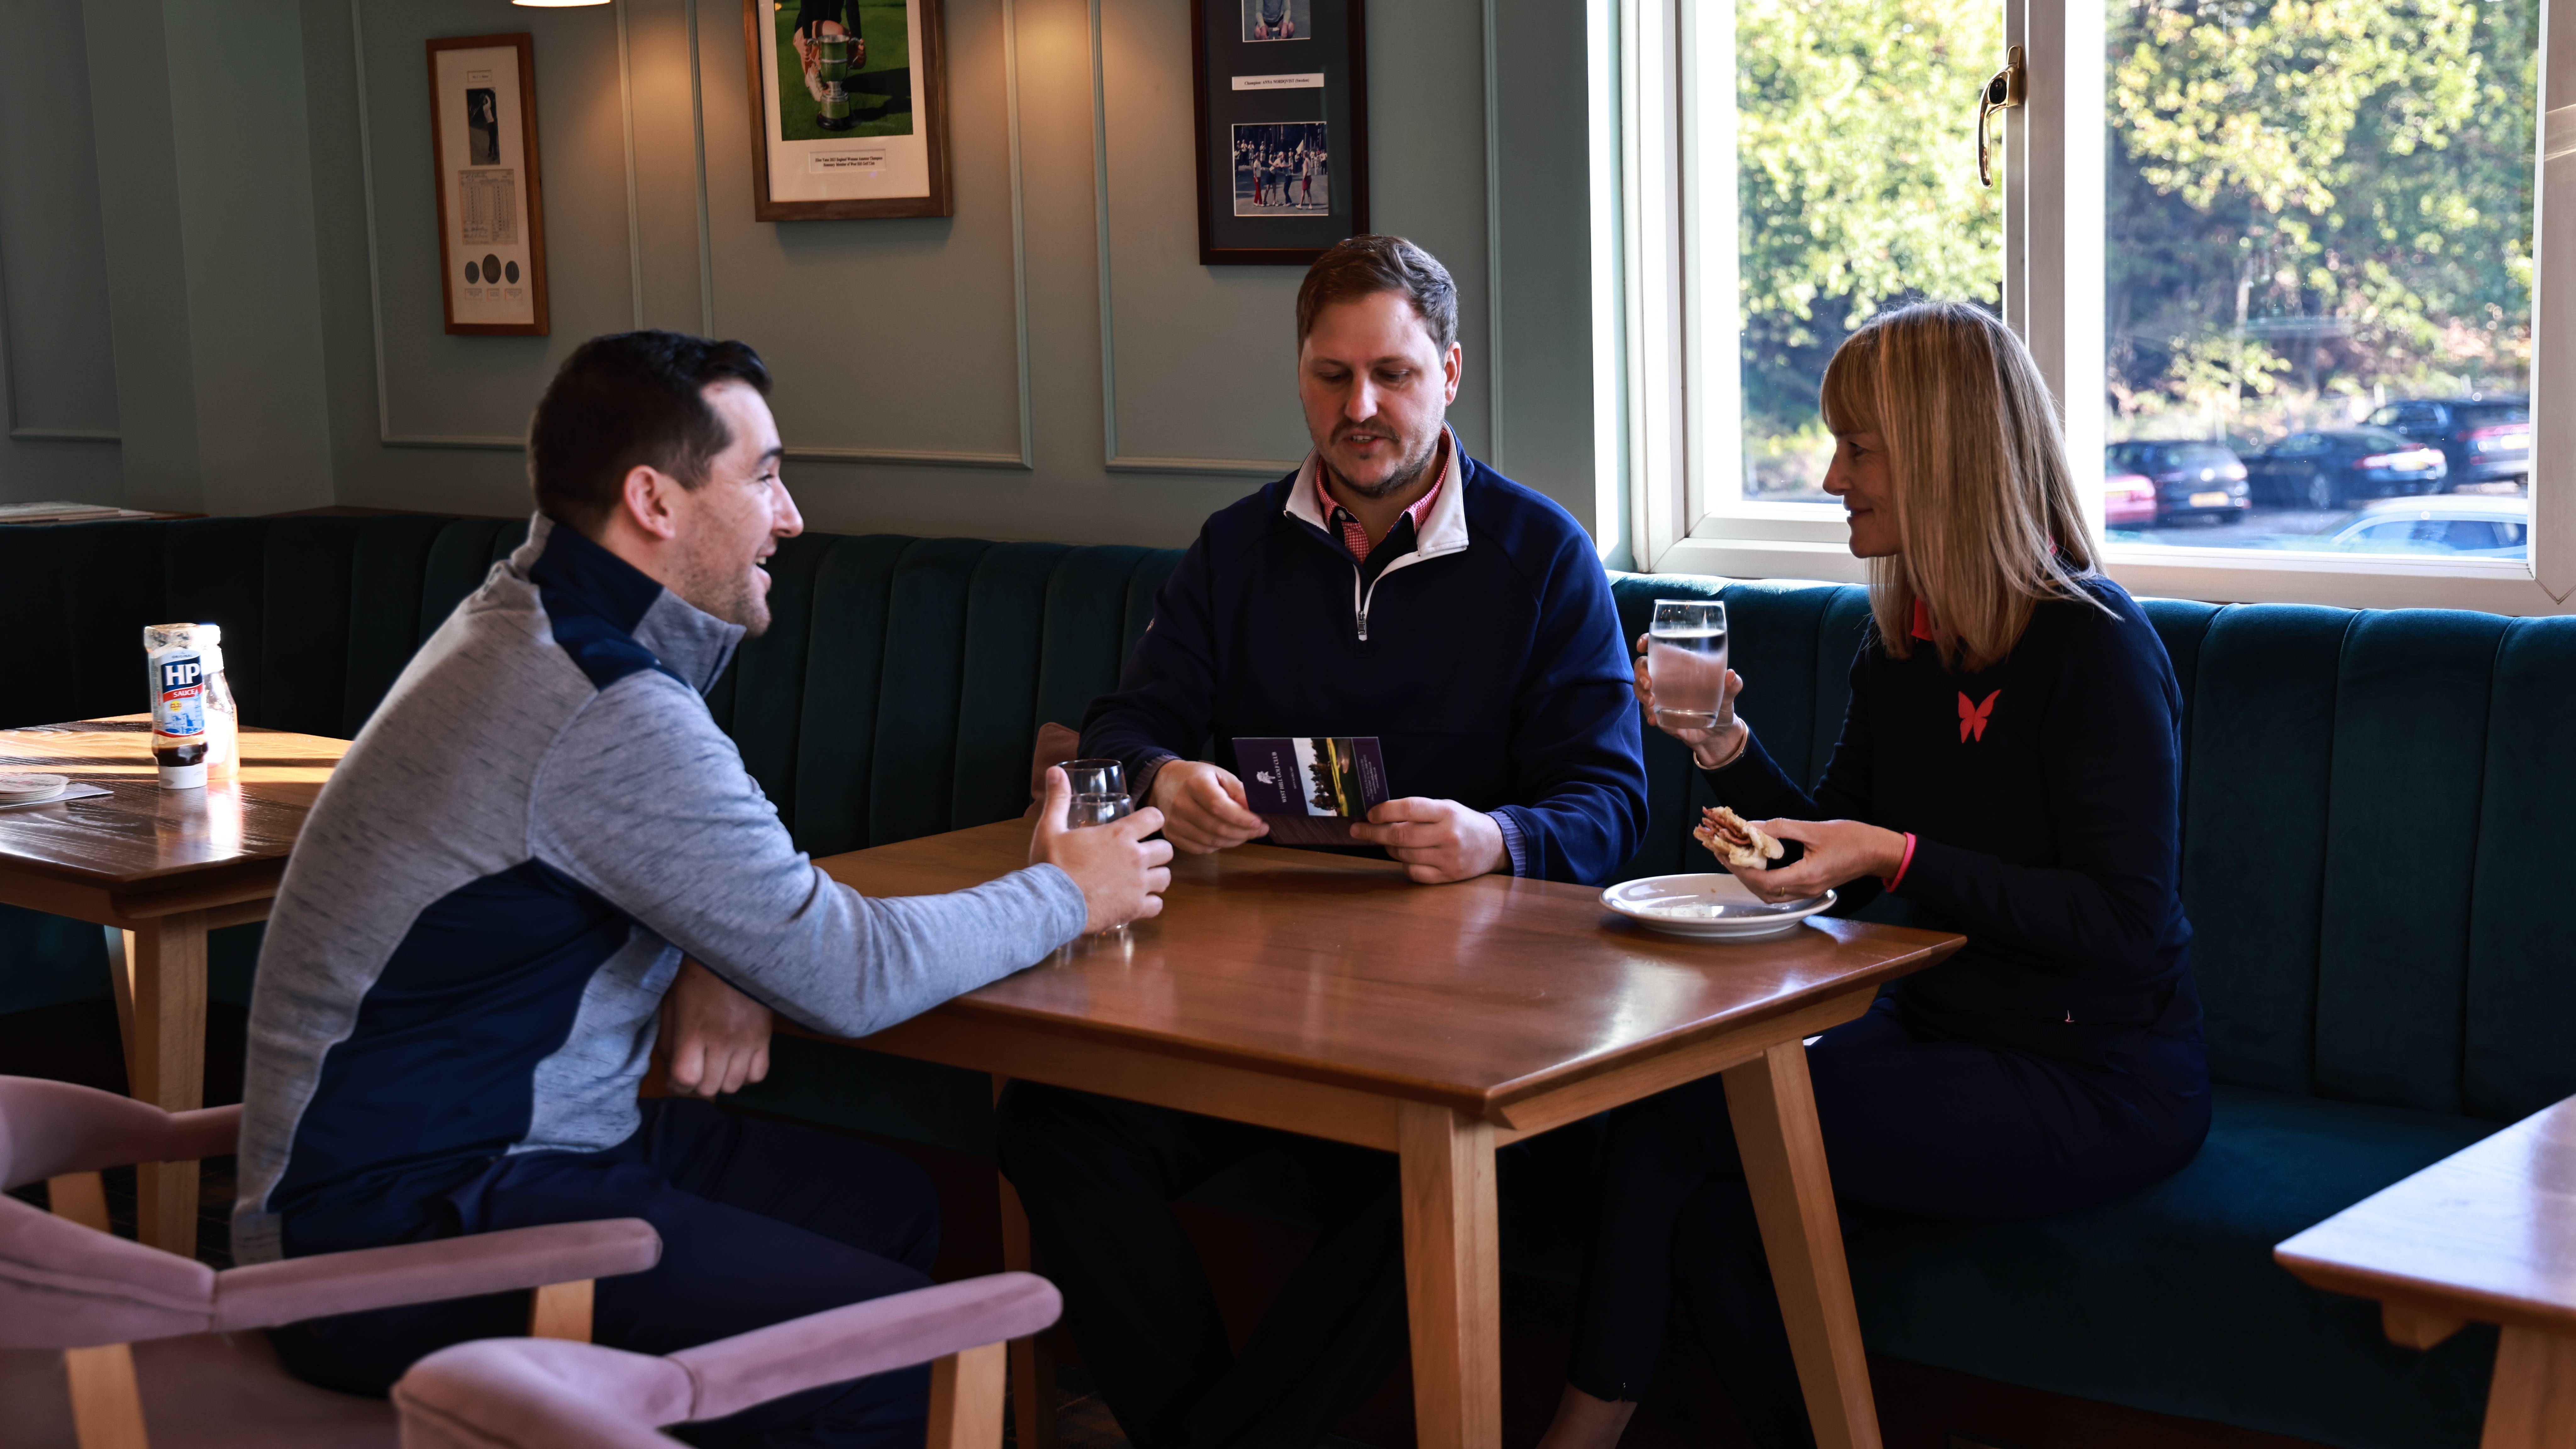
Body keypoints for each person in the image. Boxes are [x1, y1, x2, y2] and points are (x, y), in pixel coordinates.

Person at [231, 331, 1173, 1448]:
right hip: (396, 1233)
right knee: (892, 1343)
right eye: (766, 474)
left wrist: (713, 952)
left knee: (890, 1210)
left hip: (480, 1165)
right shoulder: (603, 701)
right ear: (654, 501)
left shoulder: (529, 619)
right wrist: (1067, 892)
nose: (793, 515)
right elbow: (847, 974)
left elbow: (672, 878)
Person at [996, 236, 1648, 1449]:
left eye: (1393, 375)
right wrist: (1162, 772)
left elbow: (1613, 802)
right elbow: (1126, 723)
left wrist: (1496, 837)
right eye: (1331, 375)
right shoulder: (1236, 548)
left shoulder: (1543, 556)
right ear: (1301, 376)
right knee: (1050, 1126)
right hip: (1253, 1014)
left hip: (1466, 1032)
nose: (1361, 408)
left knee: (1438, 1176)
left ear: (1450, 373)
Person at [1536, 302, 2212, 1448]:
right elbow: (1826, 867)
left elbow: (2125, 920)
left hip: (2097, 1072)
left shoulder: (2093, 644)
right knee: (1674, 1127)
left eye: (1858, 446)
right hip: (1941, 1027)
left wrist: (1901, 855)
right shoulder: (1903, 642)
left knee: (1712, 1137)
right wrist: (1722, 751)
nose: (1833, 475)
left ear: (1944, 452)